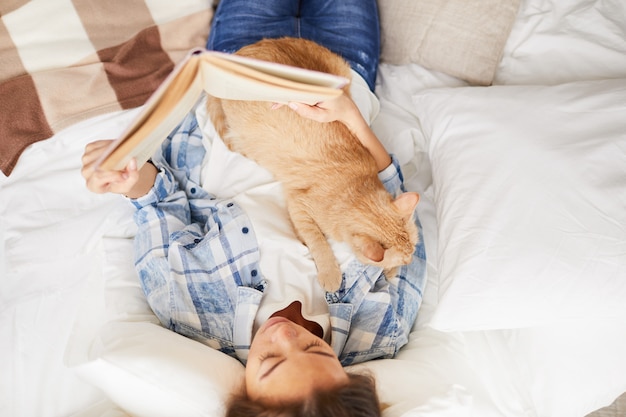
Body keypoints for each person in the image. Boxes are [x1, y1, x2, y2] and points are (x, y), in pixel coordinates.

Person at [81, 0, 427, 416]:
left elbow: (158, 202)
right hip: (337, 78)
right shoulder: (379, 333)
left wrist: (123, 175)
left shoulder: (192, 314)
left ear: (243, 397)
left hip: (242, 74)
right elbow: (392, 212)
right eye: (316, 351)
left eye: (271, 361)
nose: (286, 336)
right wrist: (351, 116)